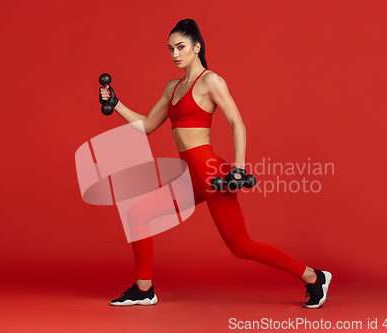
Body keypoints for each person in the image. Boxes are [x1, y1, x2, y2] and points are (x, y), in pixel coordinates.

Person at [100, 18, 332, 308]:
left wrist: (239, 167)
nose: (175, 54)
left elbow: (237, 123)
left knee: (241, 246)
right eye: (170, 48)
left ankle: (314, 277)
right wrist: (116, 103)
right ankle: (144, 289)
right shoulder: (173, 87)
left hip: (211, 172)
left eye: (181, 47)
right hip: (190, 175)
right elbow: (146, 126)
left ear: (197, 47)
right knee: (138, 215)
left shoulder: (211, 81)